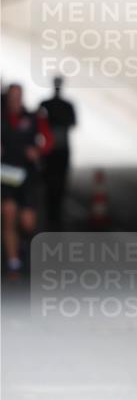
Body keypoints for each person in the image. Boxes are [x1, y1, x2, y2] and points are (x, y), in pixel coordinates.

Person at [1, 83, 54, 276]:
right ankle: (13, 262)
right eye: (11, 97)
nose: (15, 100)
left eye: (18, 96)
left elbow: (48, 140)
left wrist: (38, 151)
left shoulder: (33, 118)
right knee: (8, 213)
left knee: (27, 223)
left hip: (27, 176)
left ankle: (23, 243)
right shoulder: (2, 118)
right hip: (5, 175)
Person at [40, 75, 77, 229]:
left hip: (57, 150)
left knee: (54, 183)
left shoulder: (48, 105)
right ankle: (53, 215)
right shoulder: (61, 106)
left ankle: (54, 215)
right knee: (54, 183)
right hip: (55, 150)